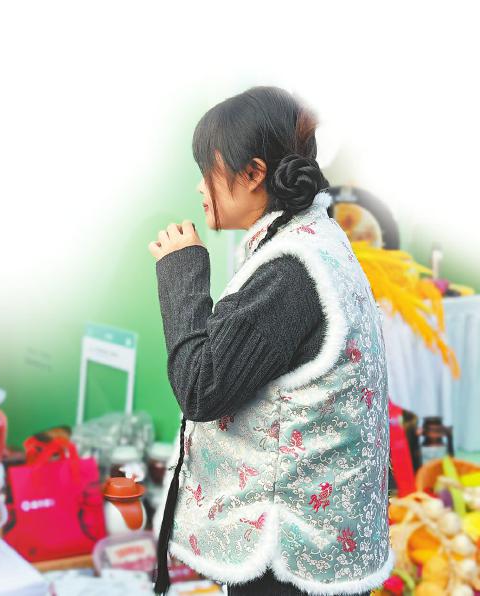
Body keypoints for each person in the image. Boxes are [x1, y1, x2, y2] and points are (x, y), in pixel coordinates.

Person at [147, 86, 393, 595]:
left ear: (254, 173)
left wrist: (181, 270)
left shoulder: (289, 271)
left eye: (207, 170)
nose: (199, 187)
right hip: (315, 546)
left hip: (287, 558)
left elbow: (202, 387)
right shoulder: (314, 241)